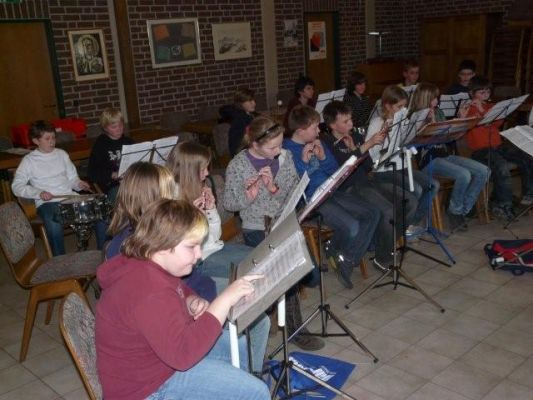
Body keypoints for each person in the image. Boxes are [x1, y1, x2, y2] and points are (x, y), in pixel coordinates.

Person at [96, 199, 270, 400]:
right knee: (256, 392)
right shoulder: (149, 290)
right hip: (146, 389)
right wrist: (225, 300)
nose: (199, 255)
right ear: (163, 245)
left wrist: (190, 300)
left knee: (241, 348)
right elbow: (183, 355)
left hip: (158, 363)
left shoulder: (148, 260)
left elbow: (177, 290)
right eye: (191, 247)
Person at [224, 116, 324, 351]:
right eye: (273, 147)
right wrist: (248, 195)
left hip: (283, 222)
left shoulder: (285, 157)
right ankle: (295, 330)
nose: (279, 151)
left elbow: (294, 192)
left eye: (280, 144)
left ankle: (271, 313)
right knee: (285, 267)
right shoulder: (238, 165)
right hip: (256, 226)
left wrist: (273, 188)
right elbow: (229, 203)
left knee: (309, 272)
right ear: (254, 144)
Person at [284, 105, 380, 287]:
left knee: (372, 213)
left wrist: (322, 158)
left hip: (331, 191)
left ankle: (345, 258)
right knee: (352, 226)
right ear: (301, 130)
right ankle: (337, 252)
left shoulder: (317, 142)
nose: (318, 131)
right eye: (314, 127)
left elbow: (335, 170)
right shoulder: (287, 151)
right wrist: (304, 163)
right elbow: (294, 186)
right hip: (312, 201)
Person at [321, 101, 417, 270]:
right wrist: (366, 145)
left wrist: (355, 147)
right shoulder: (327, 142)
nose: (351, 124)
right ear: (332, 125)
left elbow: (369, 166)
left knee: (409, 202)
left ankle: (385, 244)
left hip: (367, 181)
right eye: (345, 121)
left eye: (351, 119)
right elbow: (343, 171)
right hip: (349, 188)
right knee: (388, 211)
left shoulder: (355, 137)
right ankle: (382, 256)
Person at [166, 141, 252, 293]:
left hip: (213, 248)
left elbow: (215, 237)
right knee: (253, 266)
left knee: (258, 255)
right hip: (198, 261)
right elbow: (179, 248)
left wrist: (211, 210)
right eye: (202, 169)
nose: (207, 173)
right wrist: (192, 219)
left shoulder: (197, 187)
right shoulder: (170, 200)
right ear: (188, 171)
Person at [11, 120, 106, 256]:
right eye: (47, 139)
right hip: (47, 202)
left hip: (69, 197)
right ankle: (60, 260)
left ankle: (103, 252)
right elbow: (16, 186)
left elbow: (72, 179)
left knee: (99, 212)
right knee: (54, 223)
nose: (52, 142)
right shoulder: (29, 160)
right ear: (36, 141)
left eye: (53, 138)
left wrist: (78, 183)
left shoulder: (62, 154)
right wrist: (39, 193)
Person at [410, 82, 490, 232]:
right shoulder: (416, 116)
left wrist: (461, 120)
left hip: (445, 154)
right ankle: (455, 212)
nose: (437, 100)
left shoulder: (438, 112)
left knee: (484, 171)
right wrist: (429, 123)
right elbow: (416, 142)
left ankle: (462, 209)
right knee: (464, 175)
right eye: (434, 98)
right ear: (425, 98)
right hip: (429, 160)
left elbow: (452, 138)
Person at [365, 85, 439, 239]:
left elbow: (409, 139)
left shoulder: (403, 121)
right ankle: (403, 228)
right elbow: (372, 154)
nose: (403, 110)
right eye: (399, 107)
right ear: (388, 106)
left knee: (433, 185)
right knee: (416, 190)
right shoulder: (377, 123)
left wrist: (420, 125)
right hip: (384, 170)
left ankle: (411, 222)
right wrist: (384, 138)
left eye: (405, 106)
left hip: (402, 166)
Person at [464, 76, 533, 218]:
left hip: (498, 146)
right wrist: (476, 110)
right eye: (481, 92)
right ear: (472, 93)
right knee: (502, 167)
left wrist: (483, 109)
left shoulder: (492, 107)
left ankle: (528, 195)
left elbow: (497, 124)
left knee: (526, 156)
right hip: (480, 150)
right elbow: (472, 124)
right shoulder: (467, 109)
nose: (485, 95)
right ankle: (504, 205)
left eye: (488, 91)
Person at [88, 108, 134, 204]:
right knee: (128, 195)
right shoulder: (101, 145)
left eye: (121, 125)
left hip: (131, 181)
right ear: (105, 128)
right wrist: (112, 174)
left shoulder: (129, 142)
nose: (119, 129)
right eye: (114, 127)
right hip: (112, 186)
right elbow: (92, 173)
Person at [224, 88, 258, 157]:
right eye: (250, 101)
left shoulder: (251, 115)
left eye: (254, 100)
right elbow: (237, 146)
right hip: (243, 154)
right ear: (241, 103)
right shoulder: (239, 120)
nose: (254, 103)